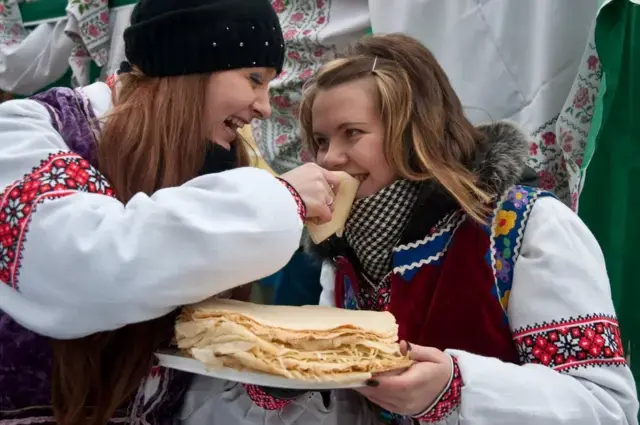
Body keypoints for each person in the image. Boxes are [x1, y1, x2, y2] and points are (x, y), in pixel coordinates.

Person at [185, 33, 639, 425]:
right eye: (321, 141)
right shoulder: (343, 254)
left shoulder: (524, 229)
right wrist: (293, 381)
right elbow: (357, 408)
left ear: (414, 132)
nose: (328, 159)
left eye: (352, 133)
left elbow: (607, 408)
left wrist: (456, 387)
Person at [0, 0, 342, 424]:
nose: (265, 107)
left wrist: (268, 389)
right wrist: (281, 198)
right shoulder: (24, 131)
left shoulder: (207, 164)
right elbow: (85, 267)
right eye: (254, 78)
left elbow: (187, 393)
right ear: (189, 61)